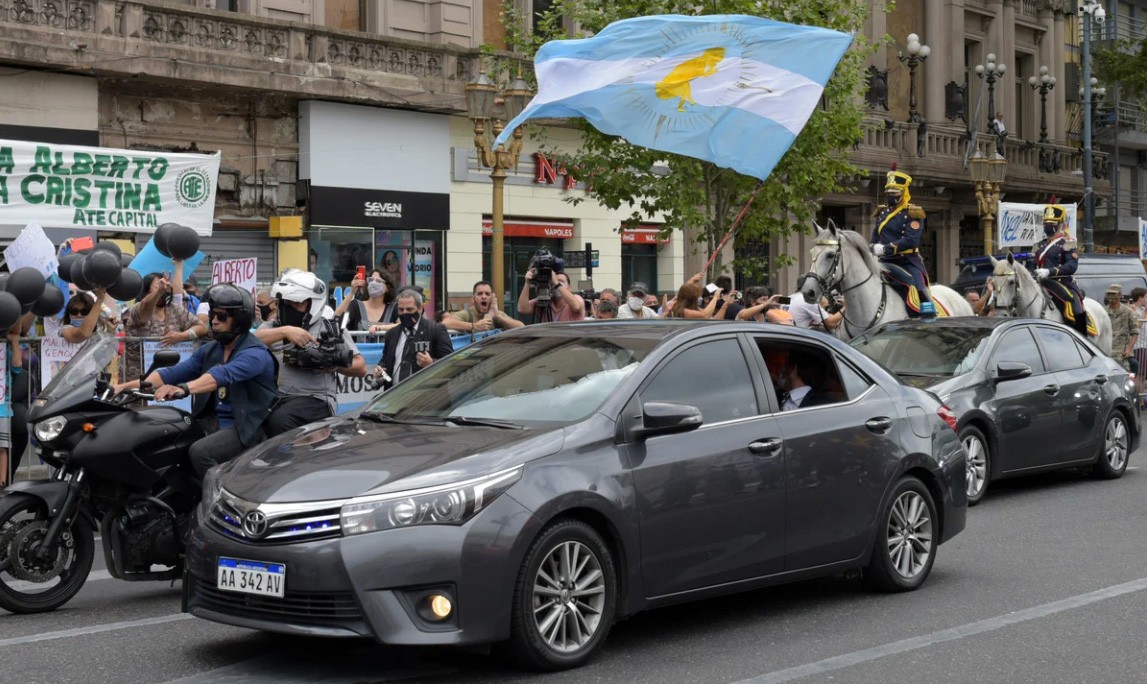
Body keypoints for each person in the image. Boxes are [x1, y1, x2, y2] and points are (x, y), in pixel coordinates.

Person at [113, 284, 278, 478]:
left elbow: (221, 375)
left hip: (246, 427)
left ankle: (218, 500)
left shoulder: (255, 353)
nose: (214, 321)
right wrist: (121, 387)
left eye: (221, 316)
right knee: (163, 441)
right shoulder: (212, 350)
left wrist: (182, 389)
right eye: (213, 315)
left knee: (201, 452)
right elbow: (173, 372)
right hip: (211, 422)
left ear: (240, 319)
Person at [255, 269, 366, 436]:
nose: (289, 307)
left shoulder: (330, 328)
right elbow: (250, 341)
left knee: (281, 420)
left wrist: (331, 362)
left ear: (312, 303)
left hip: (315, 399)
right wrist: (286, 332)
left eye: (296, 303)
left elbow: (361, 367)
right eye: (285, 303)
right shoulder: (273, 328)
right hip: (276, 397)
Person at [870, 167, 935, 318]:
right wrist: (872, 247)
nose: (890, 196)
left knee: (918, 286)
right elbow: (876, 234)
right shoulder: (882, 212)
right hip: (883, 260)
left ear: (903, 192)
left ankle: (929, 315)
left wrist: (885, 249)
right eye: (888, 193)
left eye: (894, 193)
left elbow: (911, 240)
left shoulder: (913, 213)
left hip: (906, 261)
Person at [122, 263, 200, 381]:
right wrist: (158, 292)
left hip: (168, 381)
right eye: (159, 287)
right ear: (146, 292)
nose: (163, 290)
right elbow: (144, 309)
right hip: (138, 382)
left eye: (166, 287)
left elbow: (201, 327)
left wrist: (183, 335)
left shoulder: (174, 309)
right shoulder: (136, 310)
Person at [378, 289, 453, 389]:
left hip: (426, 397)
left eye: (409, 309)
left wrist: (431, 364)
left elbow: (451, 364)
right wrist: (381, 372)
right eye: (401, 310)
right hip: (394, 397)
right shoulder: (392, 334)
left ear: (420, 309)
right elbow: (386, 365)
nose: (404, 313)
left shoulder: (436, 330)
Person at [1031, 204, 1088, 336]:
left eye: (1051, 223)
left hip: (1062, 282)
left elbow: (1072, 265)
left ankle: (1082, 337)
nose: (1047, 226)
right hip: (1040, 283)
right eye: (1045, 223)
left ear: (1060, 224)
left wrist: (1049, 271)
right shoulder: (1039, 245)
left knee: (1076, 308)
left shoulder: (1068, 242)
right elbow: (1032, 264)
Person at [335, 268, 398, 339]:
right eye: (371, 280)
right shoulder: (356, 306)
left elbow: (403, 325)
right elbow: (336, 319)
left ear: (388, 288)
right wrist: (352, 292)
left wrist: (380, 328)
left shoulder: (393, 308)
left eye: (378, 281)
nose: (373, 283)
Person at [443, 280, 524, 333]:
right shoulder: (467, 314)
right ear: (473, 299)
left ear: (492, 298)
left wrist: (498, 317)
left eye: (487, 294)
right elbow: (445, 323)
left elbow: (522, 328)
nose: (484, 297)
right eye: (480, 294)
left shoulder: (497, 314)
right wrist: (474, 326)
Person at [517, 268, 586, 323]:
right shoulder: (545, 301)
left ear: (569, 287)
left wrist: (556, 283)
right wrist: (527, 283)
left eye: (561, 281)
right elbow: (522, 308)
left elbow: (577, 307)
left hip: (571, 340)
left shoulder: (577, 298)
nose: (556, 284)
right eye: (553, 282)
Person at [1106, 284, 1138, 369]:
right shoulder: (1103, 311)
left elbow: (1135, 333)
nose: (1111, 296)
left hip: (1122, 352)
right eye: (1109, 294)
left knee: (1132, 367)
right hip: (1106, 351)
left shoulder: (1128, 312)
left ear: (1119, 295)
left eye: (1114, 294)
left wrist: (1128, 349)